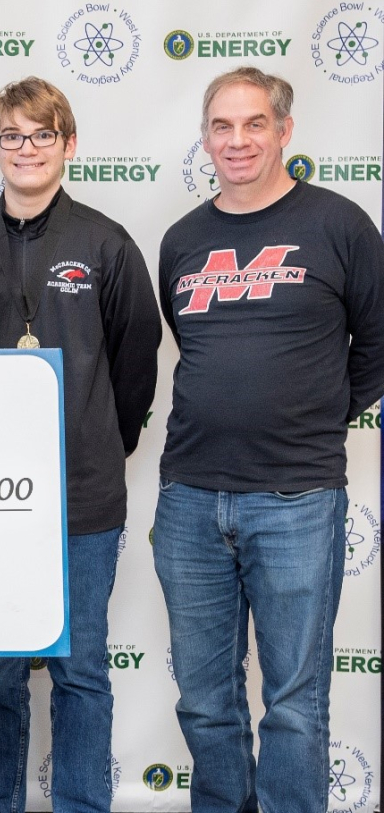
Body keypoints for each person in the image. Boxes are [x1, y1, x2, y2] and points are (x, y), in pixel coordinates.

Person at [154, 66, 384, 813]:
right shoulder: (183, 239)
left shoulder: (340, 225)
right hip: (189, 498)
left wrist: (313, 415)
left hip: (298, 498)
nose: (238, 140)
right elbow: (187, 342)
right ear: (205, 137)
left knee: (292, 704)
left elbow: (377, 343)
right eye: (222, 126)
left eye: (255, 124)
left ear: (285, 130)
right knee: (203, 701)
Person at [0, 77, 161, 813]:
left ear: (68, 145)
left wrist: (103, 438)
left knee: (81, 672)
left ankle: (82, 804)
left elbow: (137, 362)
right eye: (12, 136)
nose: (27, 149)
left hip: (84, 494)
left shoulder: (106, 242)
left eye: (43, 134)